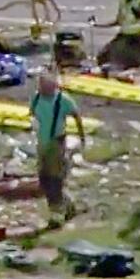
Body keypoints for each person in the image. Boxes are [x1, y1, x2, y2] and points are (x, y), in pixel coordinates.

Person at [29, 74, 86, 226]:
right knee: (43, 178)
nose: (41, 89)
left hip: (56, 142)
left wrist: (81, 137)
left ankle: (59, 211)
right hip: (42, 142)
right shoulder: (36, 98)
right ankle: (64, 205)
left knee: (55, 179)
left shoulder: (63, 100)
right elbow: (33, 115)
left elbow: (76, 115)